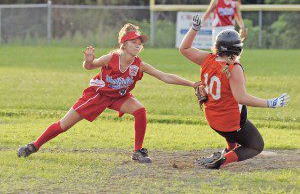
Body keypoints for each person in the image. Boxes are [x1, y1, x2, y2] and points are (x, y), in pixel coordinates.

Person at [18, 23, 199, 163]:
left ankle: (138, 151)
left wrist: (192, 84)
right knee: (63, 125)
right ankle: (33, 146)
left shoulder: (139, 65)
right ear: (124, 44)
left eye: (139, 43)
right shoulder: (110, 58)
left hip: (119, 97)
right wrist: (88, 61)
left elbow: (165, 76)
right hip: (97, 96)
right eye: (134, 42)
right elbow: (90, 66)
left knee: (140, 110)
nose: (138, 46)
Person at [179, 14, 289, 169]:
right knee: (256, 145)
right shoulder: (233, 68)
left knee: (231, 115)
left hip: (211, 117)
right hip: (228, 122)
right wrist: (270, 103)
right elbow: (241, 98)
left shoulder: (207, 59)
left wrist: (195, 28)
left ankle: (229, 149)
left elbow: (184, 48)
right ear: (238, 49)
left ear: (217, 47)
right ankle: (223, 161)